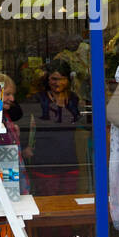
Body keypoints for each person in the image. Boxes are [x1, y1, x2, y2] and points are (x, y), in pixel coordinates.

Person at [24, 60, 83, 196]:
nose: (58, 83)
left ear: (69, 80)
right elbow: (24, 124)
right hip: (45, 161)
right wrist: (25, 147)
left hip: (70, 159)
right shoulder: (38, 99)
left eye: (62, 79)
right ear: (47, 79)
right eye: (54, 79)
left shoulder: (74, 99)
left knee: (70, 200)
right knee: (48, 201)